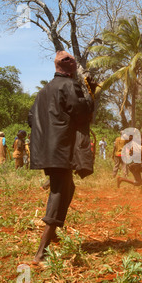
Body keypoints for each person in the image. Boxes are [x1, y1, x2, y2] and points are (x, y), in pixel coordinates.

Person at [28, 50, 94, 265]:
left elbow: (31, 118)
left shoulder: (43, 91)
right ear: (70, 66)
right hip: (61, 150)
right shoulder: (69, 85)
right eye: (73, 62)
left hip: (46, 150)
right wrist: (90, 95)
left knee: (68, 187)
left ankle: (54, 233)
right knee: (59, 192)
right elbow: (82, 113)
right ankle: (41, 253)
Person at [117, 132, 142, 202]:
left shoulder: (130, 144)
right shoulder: (137, 145)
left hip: (131, 166)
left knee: (138, 182)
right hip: (137, 164)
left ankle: (121, 179)